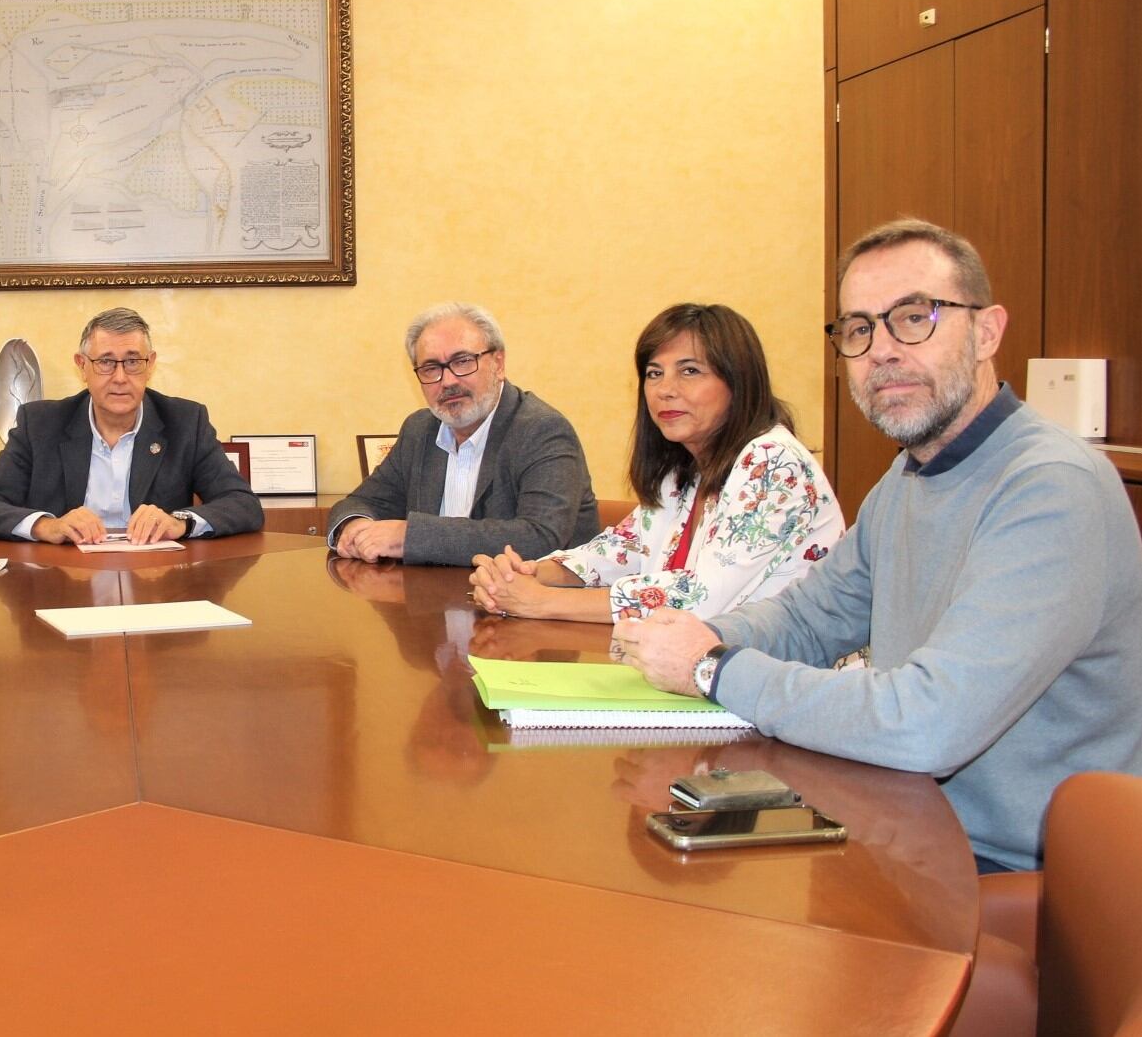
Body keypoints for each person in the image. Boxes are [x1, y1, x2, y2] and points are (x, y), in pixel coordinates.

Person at [613, 219, 1142, 872]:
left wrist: (710, 667)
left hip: (1007, 872)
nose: (881, 350)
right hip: (896, 818)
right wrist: (692, 635)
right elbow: (811, 617)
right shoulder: (910, 475)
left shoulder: (1050, 488)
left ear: (986, 331)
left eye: (913, 317)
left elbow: (927, 723)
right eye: (859, 328)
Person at [470, 303, 843, 622]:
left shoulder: (772, 462)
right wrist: (528, 573)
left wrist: (543, 602)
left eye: (690, 370)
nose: (665, 389)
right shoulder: (683, 469)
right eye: (654, 373)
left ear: (738, 382)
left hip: (785, 684)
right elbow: (623, 550)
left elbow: (699, 599)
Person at [0, 308, 262, 544]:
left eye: (132, 362)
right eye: (105, 361)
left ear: (150, 364)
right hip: (65, 581)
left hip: (157, 583)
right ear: (82, 366)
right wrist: (47, 526)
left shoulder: (185, 421)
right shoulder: (40, 424)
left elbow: (243, 505)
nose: (119, 377)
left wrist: (180, 522)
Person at [328, 302, 600, 566]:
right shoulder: (419, 430)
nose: (448, 381)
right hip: (435, 604)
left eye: (463, 361)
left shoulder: (542, 431)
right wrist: (356, 526)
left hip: (531, 606)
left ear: (499, 363)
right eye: (431, 368)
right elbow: (361, 502)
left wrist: (407, 537)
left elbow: (539, 537)